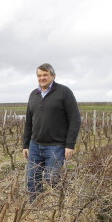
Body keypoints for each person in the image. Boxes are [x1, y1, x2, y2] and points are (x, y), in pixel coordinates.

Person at [22, 63, 81, 200]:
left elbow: (75, 119)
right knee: (32, 180)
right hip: (35, 145)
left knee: (52, 178)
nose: (42, 78)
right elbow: (28, 122)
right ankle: (35, 208)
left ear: (53, 76)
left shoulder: (64, 92)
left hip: (56, 146)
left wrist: (70, 145)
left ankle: (61, 205)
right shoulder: (33, 94)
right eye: (39, 75)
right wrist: (25, 145)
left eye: (45, 75)